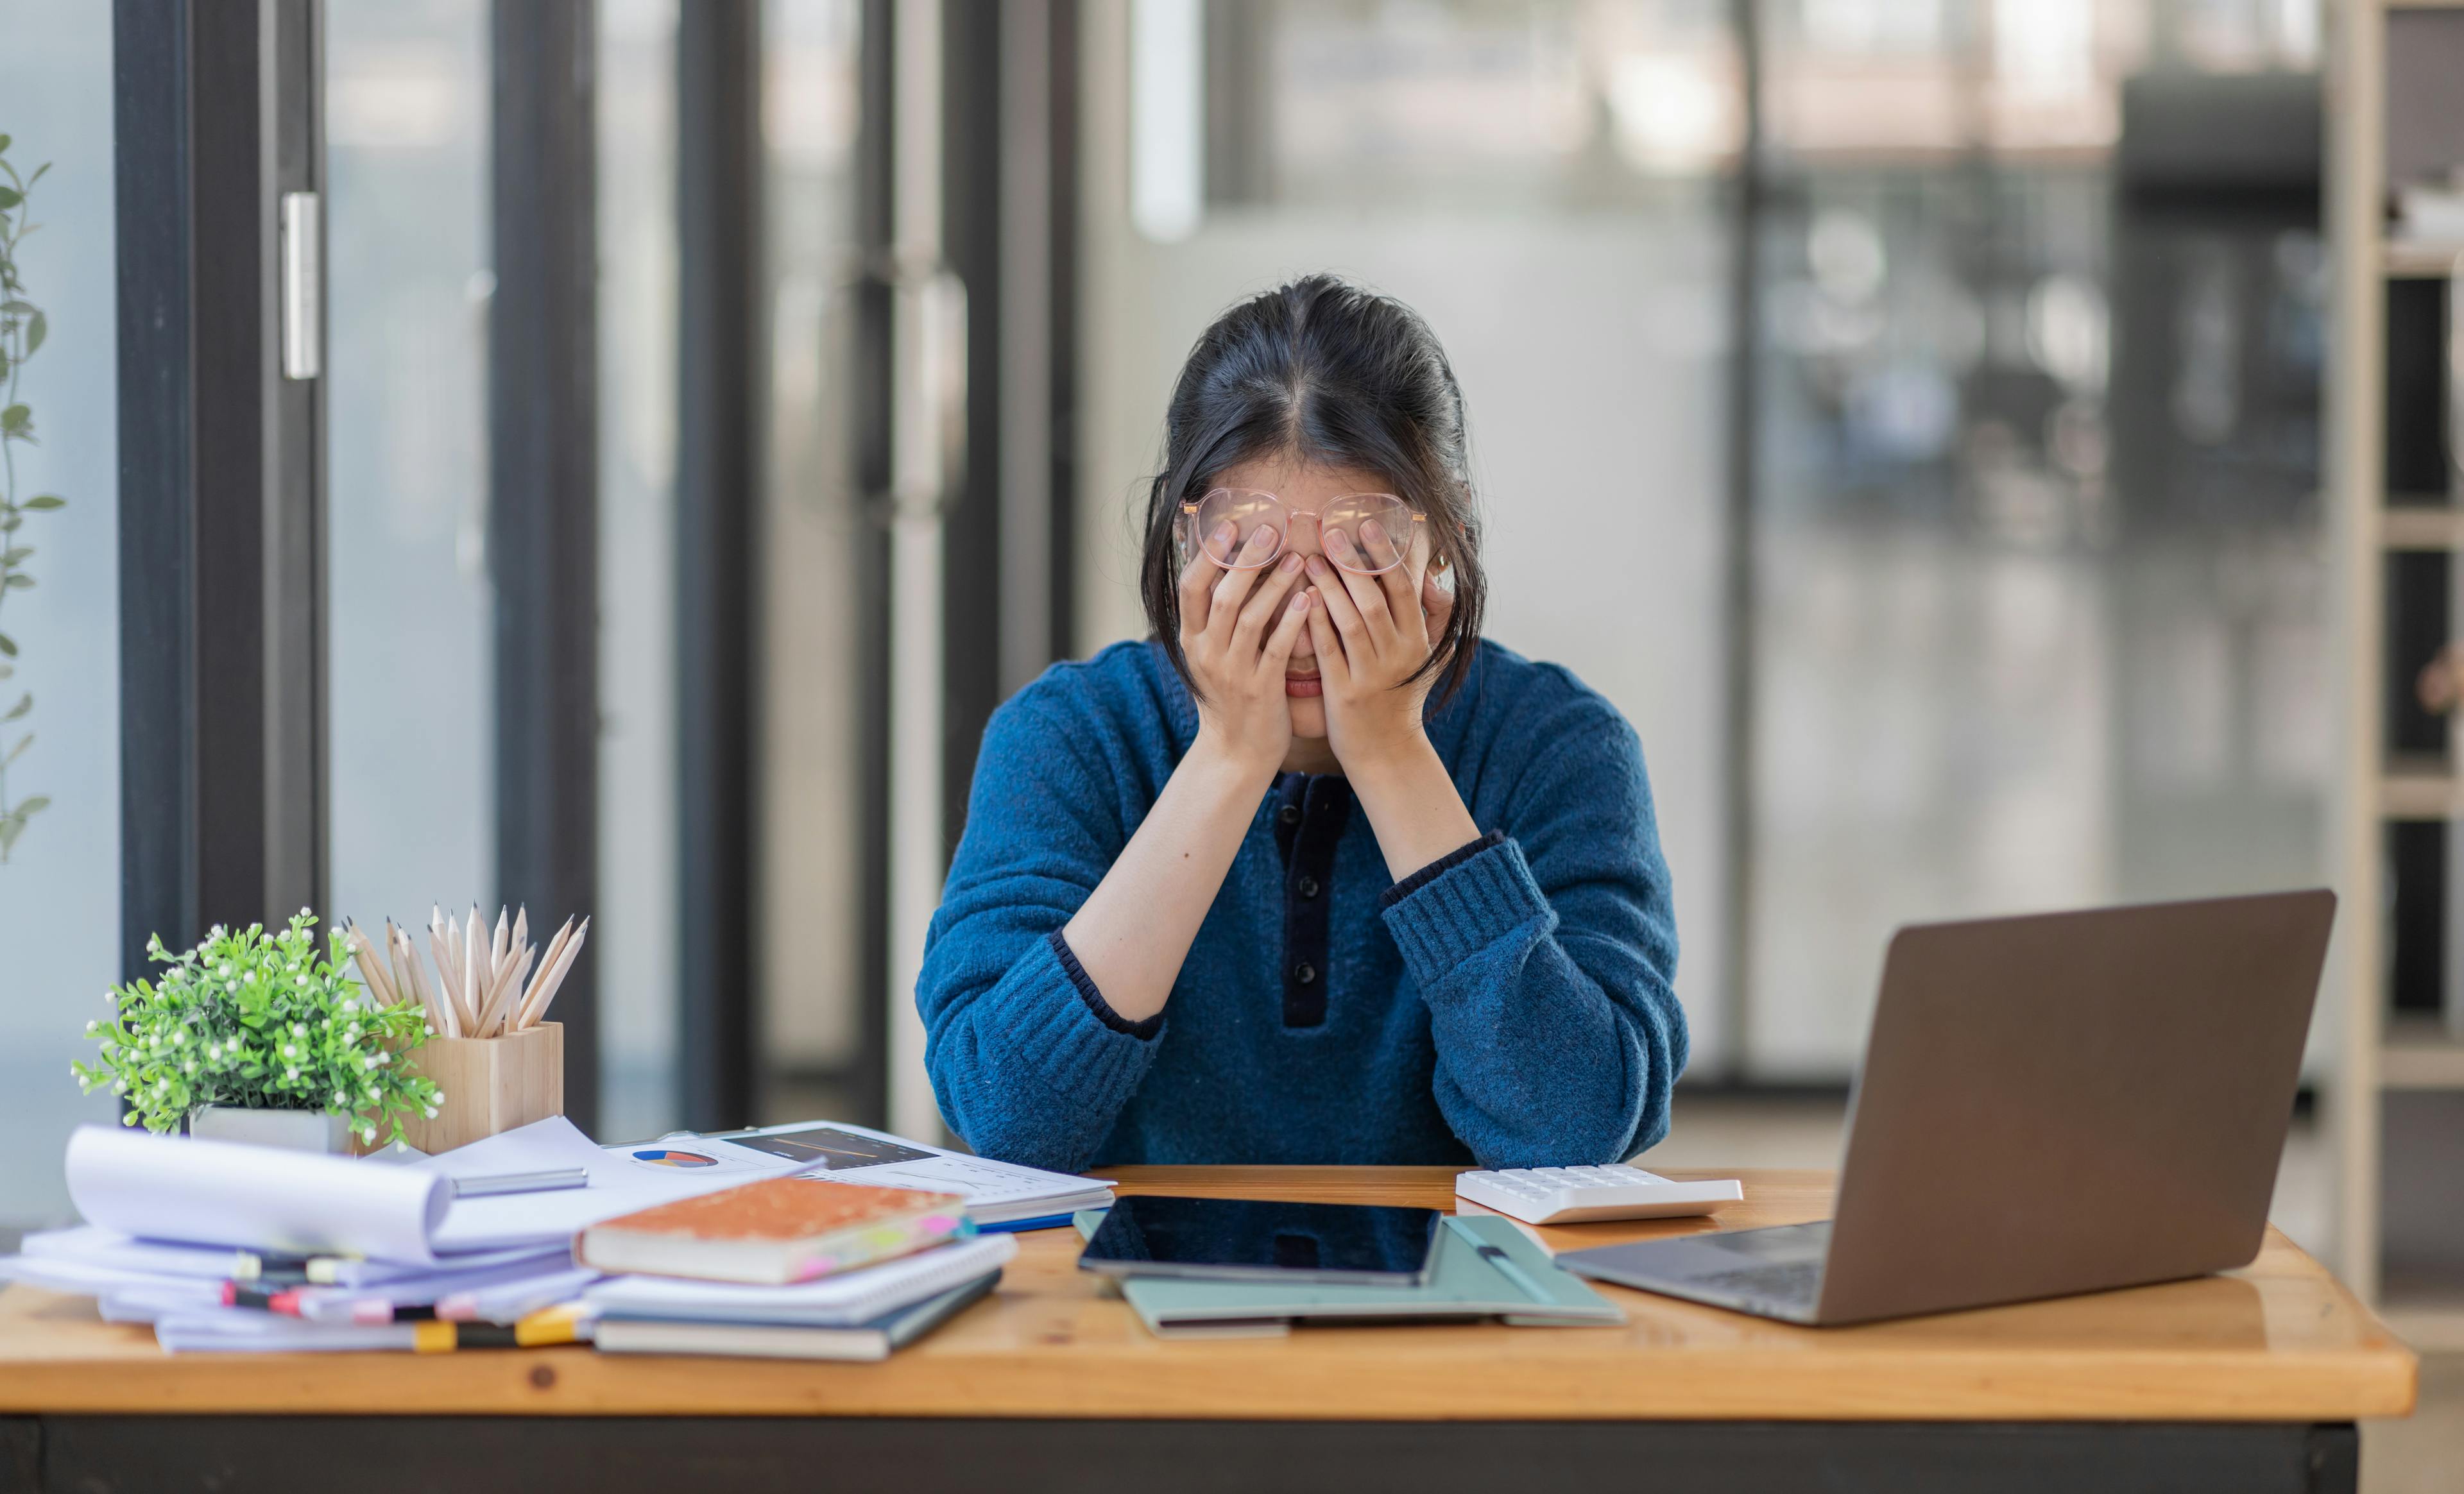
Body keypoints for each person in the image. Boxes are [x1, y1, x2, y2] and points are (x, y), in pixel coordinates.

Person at [916, 273, 1686, 1173]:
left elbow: (1577, 1130)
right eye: (1252, 556)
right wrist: (1228, 759)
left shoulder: (1560, 746)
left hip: (1461, 1293)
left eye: (1363, 556)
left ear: (1450, 538)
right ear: (1184, 540)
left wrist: (1395, 753)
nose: (1307, 617)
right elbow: (1002, 1116)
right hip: (1120, 1297)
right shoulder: (1070, 736)